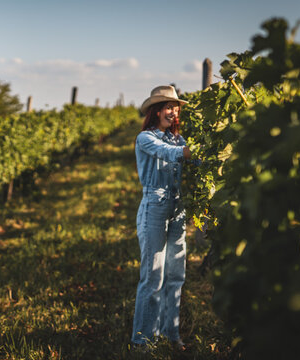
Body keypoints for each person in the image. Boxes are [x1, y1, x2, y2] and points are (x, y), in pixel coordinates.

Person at [131, 85, 194, 349]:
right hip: (154, 207)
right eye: (168, 107)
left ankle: (171, 334)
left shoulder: (178, 140)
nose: (173, 112)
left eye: (175, 107)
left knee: (176, 275)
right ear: (156, 111)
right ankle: (143, 342)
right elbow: (167, 153)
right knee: (153, 276)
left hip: (178, 208)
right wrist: (189, 153)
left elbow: (188, 155)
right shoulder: (145, 138)